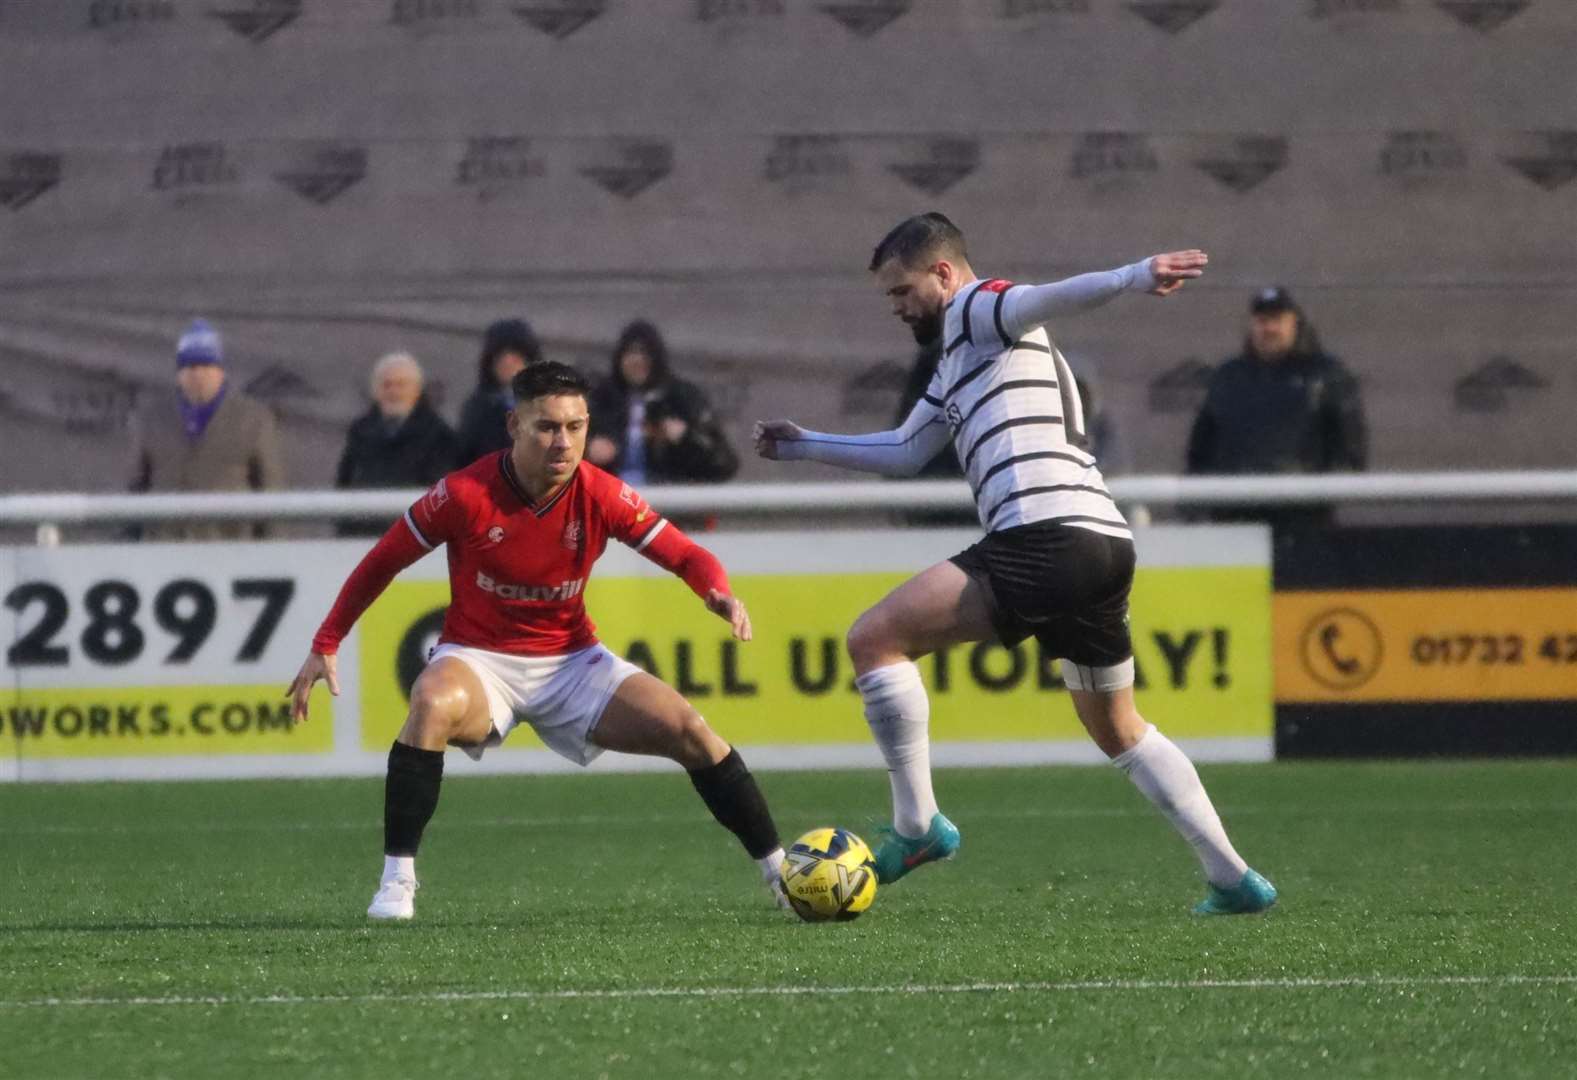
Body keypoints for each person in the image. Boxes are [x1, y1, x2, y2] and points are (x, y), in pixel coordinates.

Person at [754, 212, 1275, 916]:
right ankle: (1232, 878)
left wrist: (1132, 275)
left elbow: (1046, 296)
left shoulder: (977, 308)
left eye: (902, 289)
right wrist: (804, 444)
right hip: (1101, 543)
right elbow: (906, 453)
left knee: (873, 638)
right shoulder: (958, 358)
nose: (897, 307)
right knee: (1117, 726)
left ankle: (916, 827)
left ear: (943, 272)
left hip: (1043, 533)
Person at [289, 361, 786, 921]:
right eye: (547, 426)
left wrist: (714, 590)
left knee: (690, 731)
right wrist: (327, 640)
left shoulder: (602, 493)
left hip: (572, 663)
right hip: (479, 661)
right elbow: (381, 562)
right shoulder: (463, 493)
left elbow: (686, 554)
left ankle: (783, 873)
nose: (564, 441)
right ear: (514, 427)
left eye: (575, 427)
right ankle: (397, 882)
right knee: (430, 701)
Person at [1185, 287, 1367, 529]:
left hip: (1303, 520)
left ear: (1295, 324)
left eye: (1277, 320)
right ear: (1251, 325)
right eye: (1262, 320)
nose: (1269, 328)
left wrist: (1321, 495)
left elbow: (1351, 450)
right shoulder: (1228, 378)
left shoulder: (1326, 376)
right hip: (1235, 519)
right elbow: (1201, 450)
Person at [130, 318, 285, 540]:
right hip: (165, 553)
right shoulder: (153, 419)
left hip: (229, 552)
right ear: (178, 374)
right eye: (190, 367)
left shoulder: (254, 419)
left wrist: (270, 559)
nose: (198, 374)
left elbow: (271, 494)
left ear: (220, 371)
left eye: (206, 366)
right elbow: (136, 489)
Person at [586, 320, 738, 485]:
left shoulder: (682, 398)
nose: (637, 360)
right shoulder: (600, 399)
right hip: (609, 500)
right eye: (630, 353)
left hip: (669, 500)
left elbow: (724, 464)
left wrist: (687, 438)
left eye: (645, 353)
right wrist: (587, 451)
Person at [333, 351, 460, 536]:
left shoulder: (439, 435)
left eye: (401, 385)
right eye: (387, 385)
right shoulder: (360, 432)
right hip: (361, 538)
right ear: (376, 391)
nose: (394, 392)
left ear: (417, 390)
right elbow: (344, 484)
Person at [456, 318, 542, 465]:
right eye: (500, 358)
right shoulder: (477, 409)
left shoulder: (548, 404)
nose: (507, 363)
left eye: (515, 357)